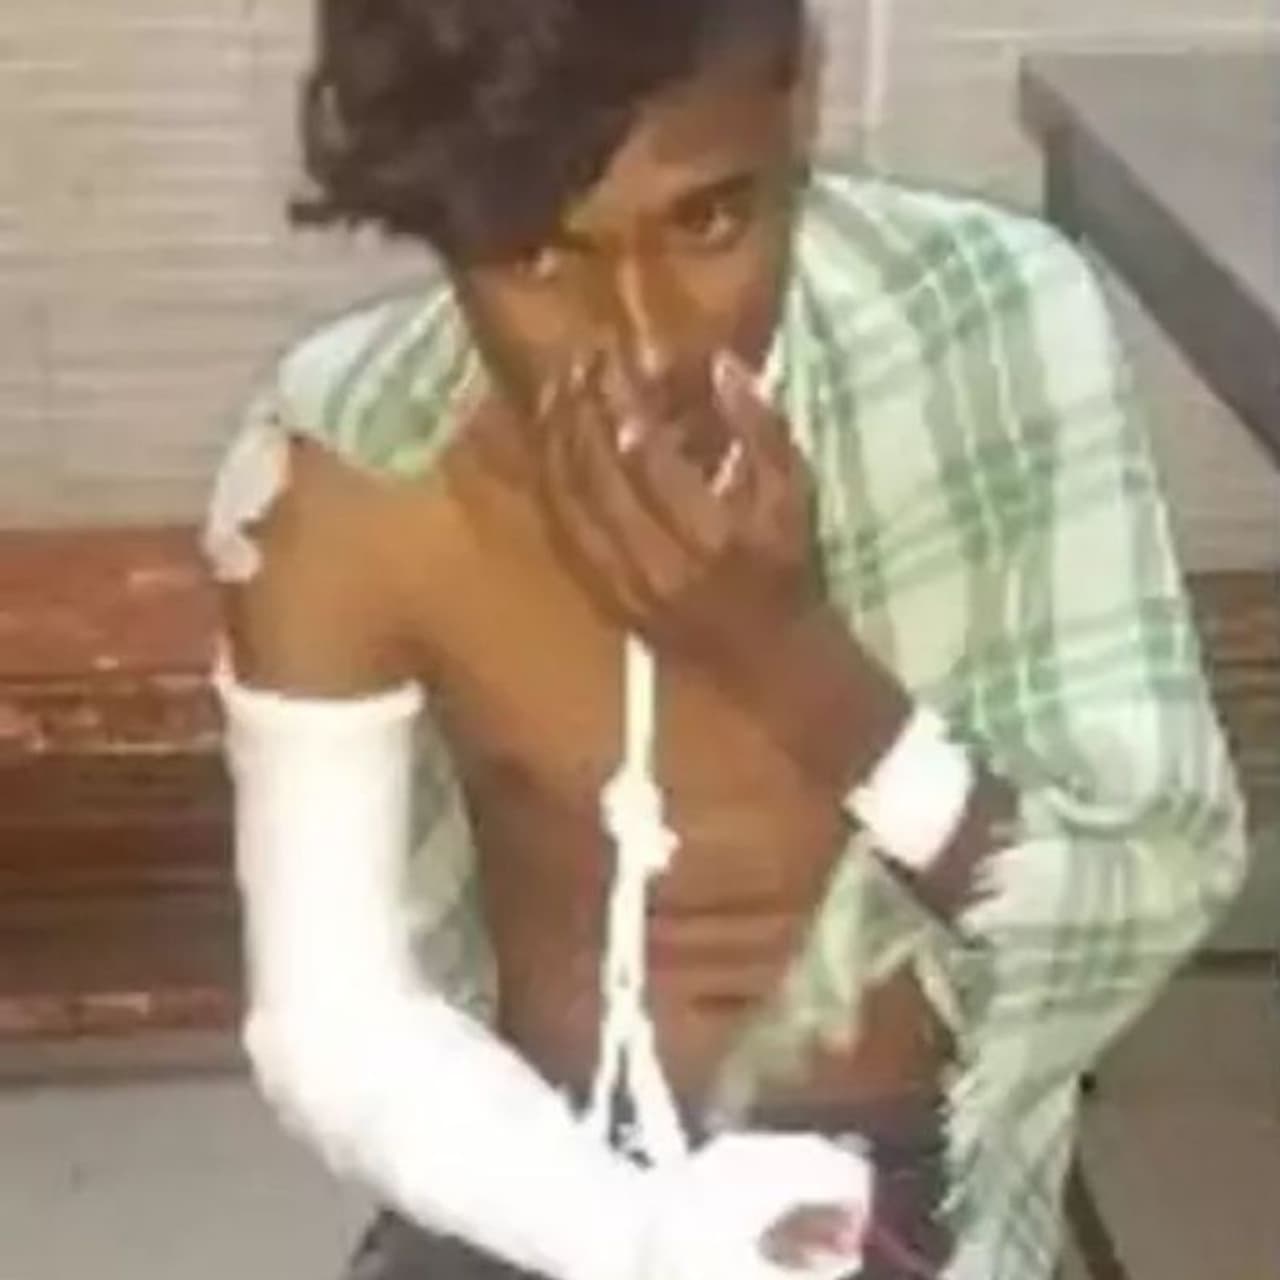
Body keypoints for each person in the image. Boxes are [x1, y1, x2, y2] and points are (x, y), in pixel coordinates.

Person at [202, 2, 1248, 1278]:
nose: (648, 345)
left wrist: (793, 663)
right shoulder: (342, 466)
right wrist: (629, 1231)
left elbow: (1138, 893)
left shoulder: (989, 330)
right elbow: (337, 1022)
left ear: (796, 103)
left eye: (706, 222)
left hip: (897, 1177)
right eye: (534, 251)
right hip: (512, 1155)